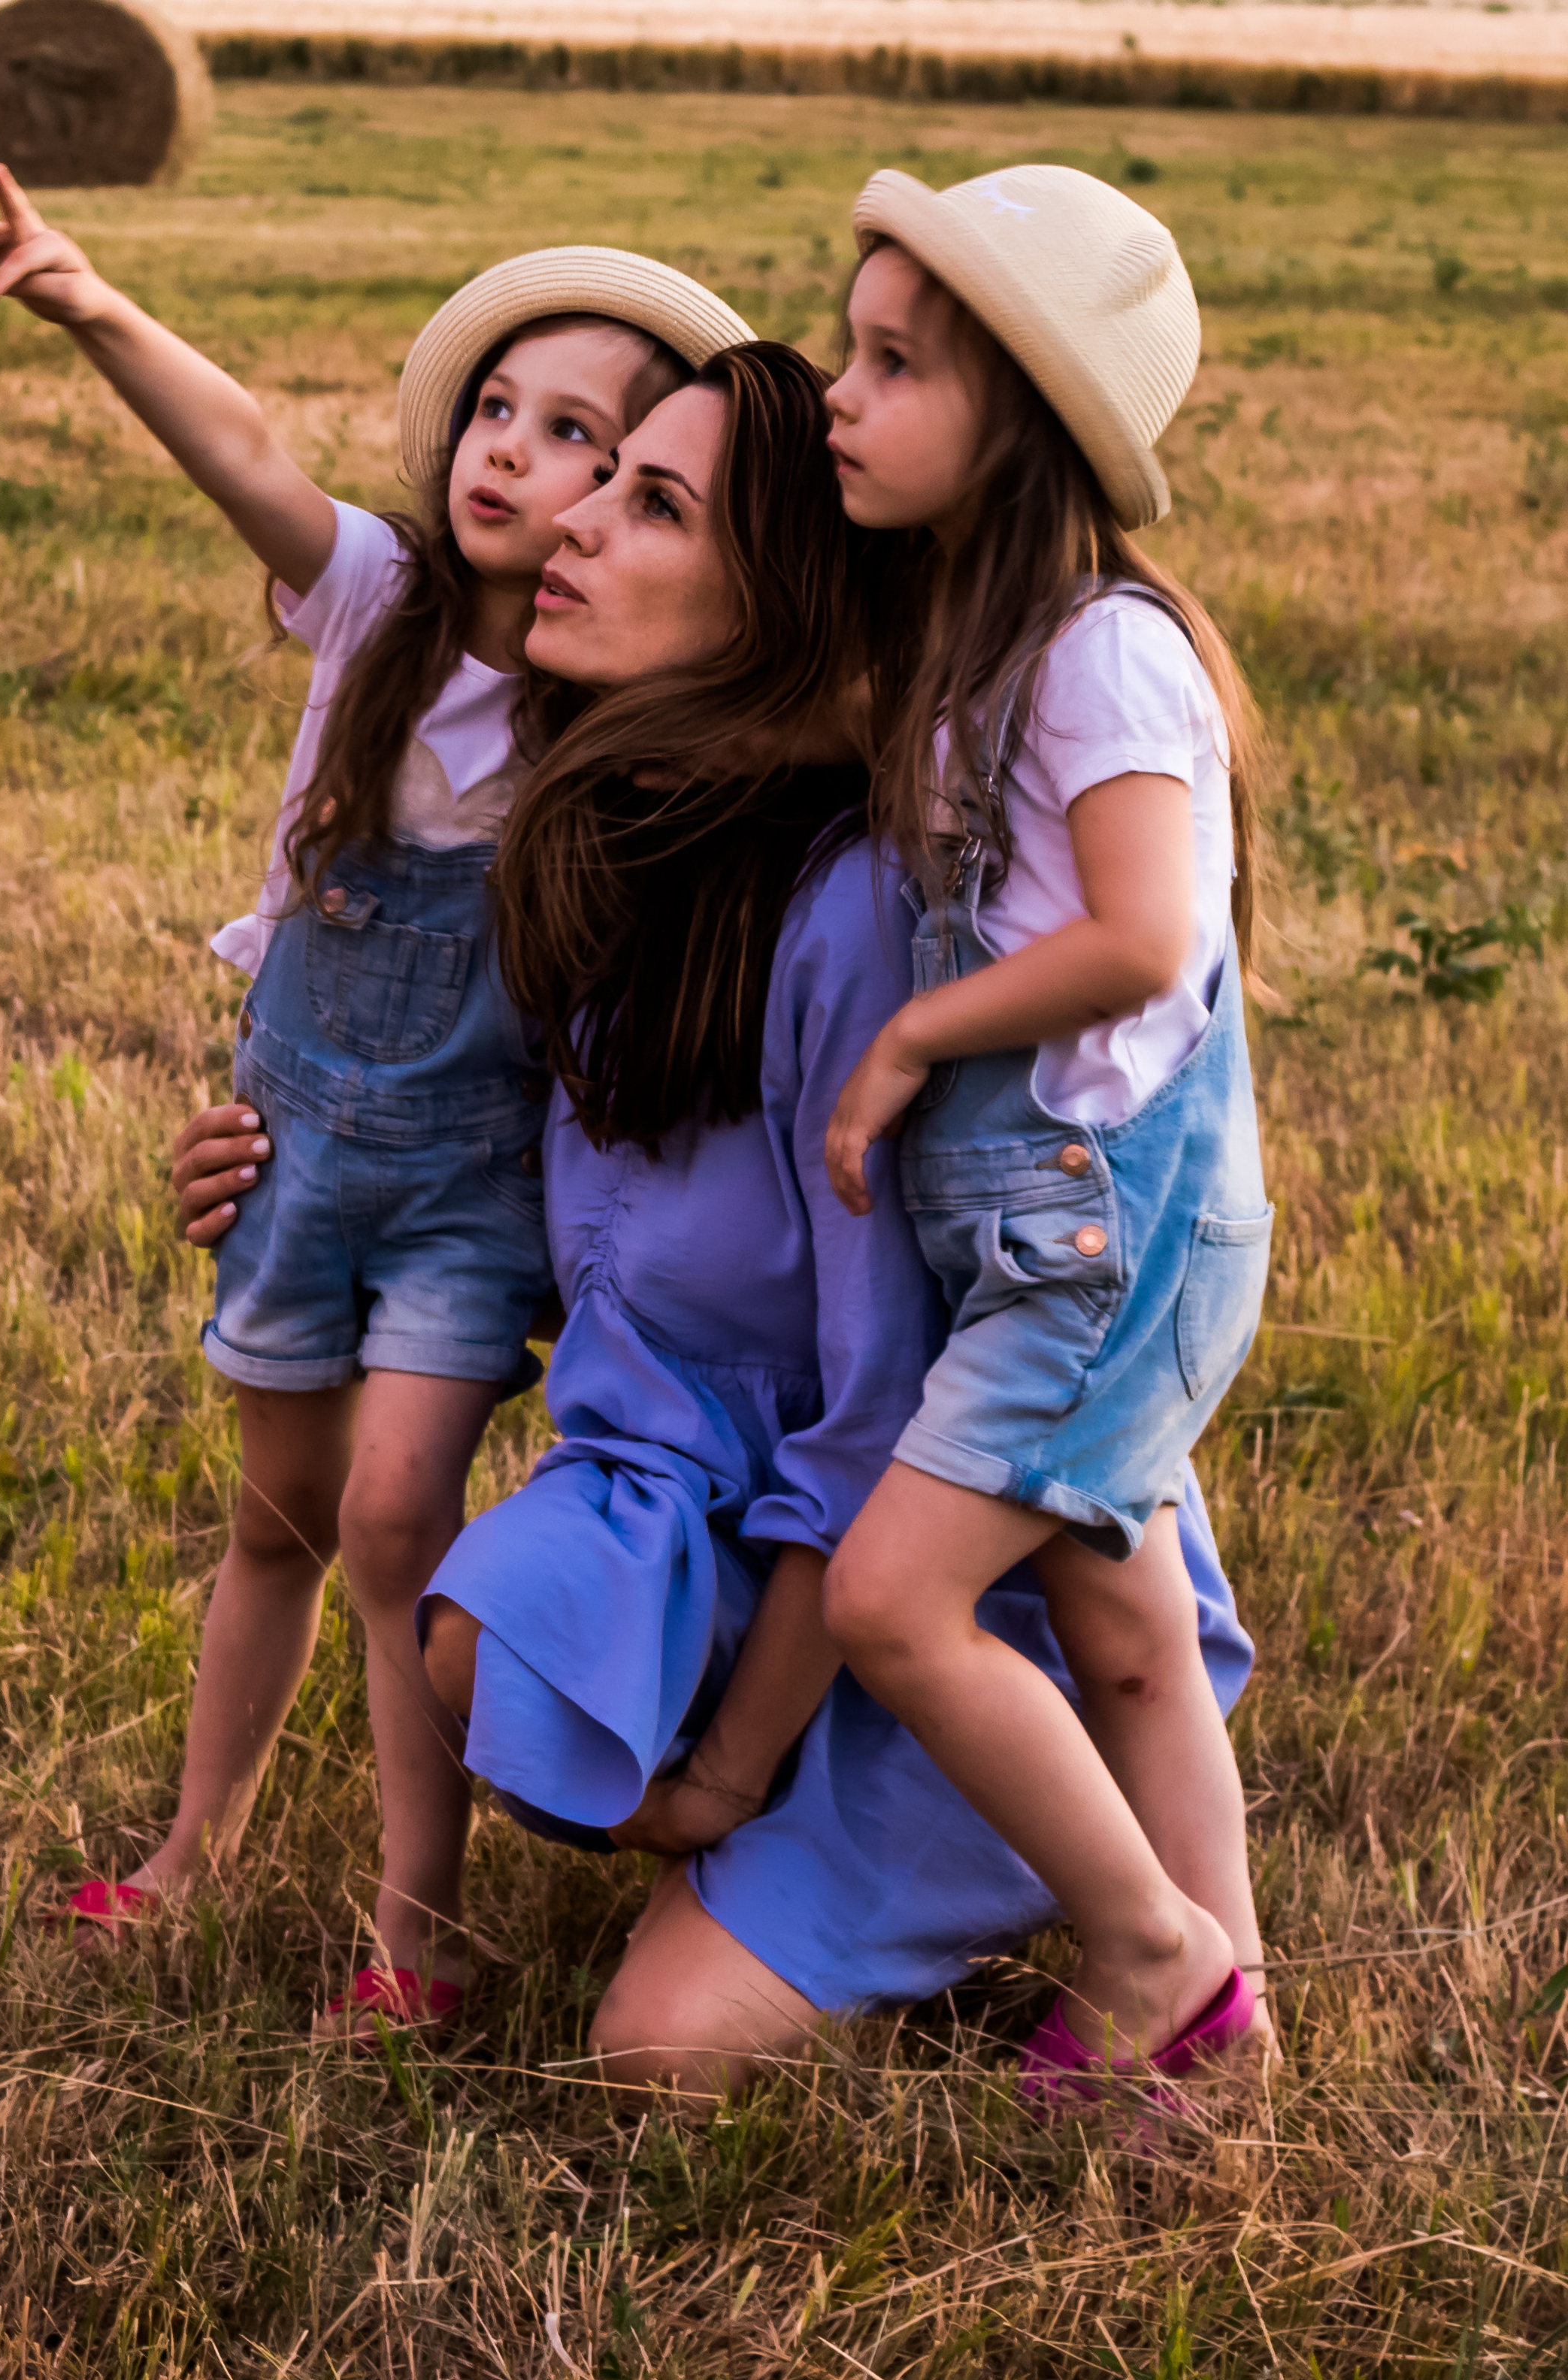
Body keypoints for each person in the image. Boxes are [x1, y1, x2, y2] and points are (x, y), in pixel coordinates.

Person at [395, 337, 1261, 2099]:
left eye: (650, 503)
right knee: (475, 1638)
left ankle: (1089, 1901)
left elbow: (879, 1423)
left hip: (919, 1559)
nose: (568, 516)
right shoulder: (615, 859)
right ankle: (807, 1825)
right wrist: (267, 1163)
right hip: (718, 1526)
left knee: (652, 2057)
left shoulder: (860, 915)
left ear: (774, 597)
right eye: (596, 475)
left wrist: (723, 1771)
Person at [0, 165, 751, 2026]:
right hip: (297, 1141)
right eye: (493, 410)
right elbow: (235, 444)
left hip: (474, 1185)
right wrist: (91, 305)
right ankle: (194, 1843)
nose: (504, 455)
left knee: (398, 1518)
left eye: (576, 437)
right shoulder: (374, 598)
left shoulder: (615, 710)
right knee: (278, 1515)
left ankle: (418, 1928)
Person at [819, 165, 1271, 2100]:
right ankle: (1222, 2041)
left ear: (1014, 426)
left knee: (892, 1604)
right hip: (1055, 1234)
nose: (839, 389)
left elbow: (1143, 934)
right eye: (845, 343)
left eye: (890, 363)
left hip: (1101, 1238)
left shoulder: (1101, 652)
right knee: (1128, 1633)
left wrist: (914, 1030)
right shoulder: (976, 650)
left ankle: (1155, 1951)